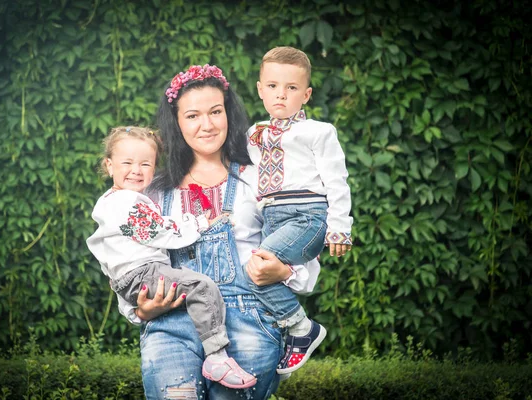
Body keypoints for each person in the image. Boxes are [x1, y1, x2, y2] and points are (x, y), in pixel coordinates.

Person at [116, 64, 320, 399]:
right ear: (177, 122)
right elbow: (126, 258)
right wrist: (139, 311)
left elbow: (301, 238)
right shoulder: (153, 191)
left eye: (215, 111)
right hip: (172, 321)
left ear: (229, 113)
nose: (207, 125)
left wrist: (285, 270)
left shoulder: (259, 178)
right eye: (193, 116)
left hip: (249, 321)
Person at [86, 126, 257, 389]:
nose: (137, 170)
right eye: (127, 163)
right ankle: (216, 355)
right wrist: (200, 222)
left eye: (146, 163)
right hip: (145, 274)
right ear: (109, 165)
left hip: (133, 278)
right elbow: (160, 231)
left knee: (190, 293)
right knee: (202, 286)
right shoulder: (123, 204)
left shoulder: (118, 200)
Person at [246, 46, 353, 374]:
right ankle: (278, 335)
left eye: (291, 88)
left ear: (305, 94)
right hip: (272, 216)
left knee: (257, 268)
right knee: (258, 276)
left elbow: (337, 181)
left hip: (308, 214)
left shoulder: (319, 132)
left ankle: (301, 329)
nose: (281, 95)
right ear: (260, 89)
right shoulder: (254, 134)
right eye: (273, 86)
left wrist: (339, 227)